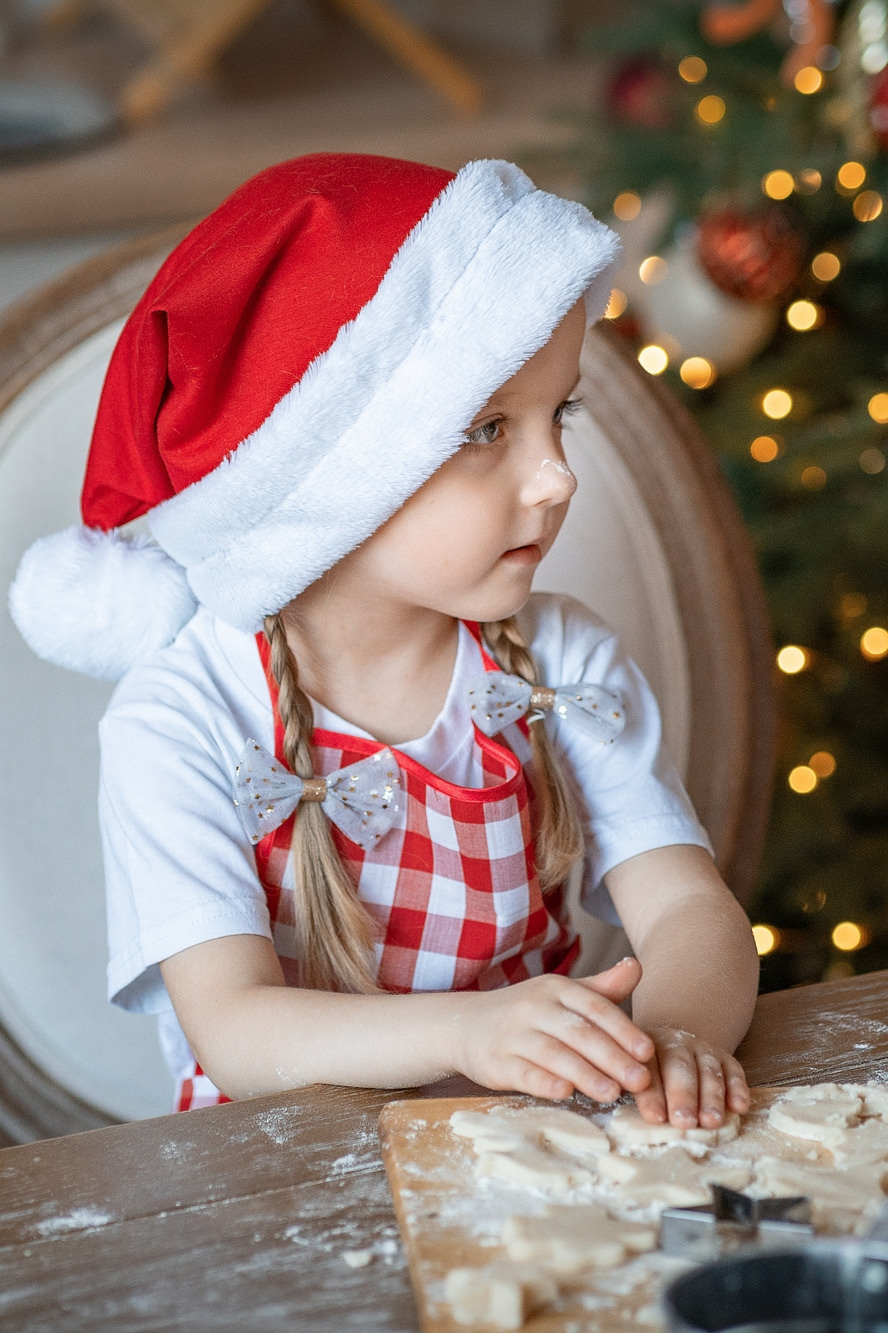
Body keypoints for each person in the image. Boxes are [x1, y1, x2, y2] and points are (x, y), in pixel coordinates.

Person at [9, 153, 759, 1126]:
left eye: (557, 414)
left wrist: (673, 1040)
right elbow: (235, 1028)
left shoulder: (562, 659)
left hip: (539, 1142)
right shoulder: (180, 720)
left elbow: (689, 907)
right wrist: (469, 1032)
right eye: (489, 428)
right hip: (281, 1176)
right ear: (328, 485)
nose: (557, 476)